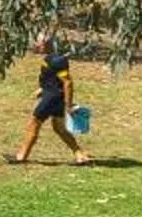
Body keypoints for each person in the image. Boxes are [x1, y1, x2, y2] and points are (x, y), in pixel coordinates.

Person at [11, 31, 93, 166]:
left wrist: (68, 105)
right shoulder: (51, 58)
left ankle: (21, 156)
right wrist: (43, 88)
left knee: (34, 123)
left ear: (46, 43)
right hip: (53, 95)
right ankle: (80, 156)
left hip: (53, 98)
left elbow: (67, 82)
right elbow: (53, 78)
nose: (35, 45)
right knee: (59, 128)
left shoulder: (57, 60)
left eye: (38, 42)